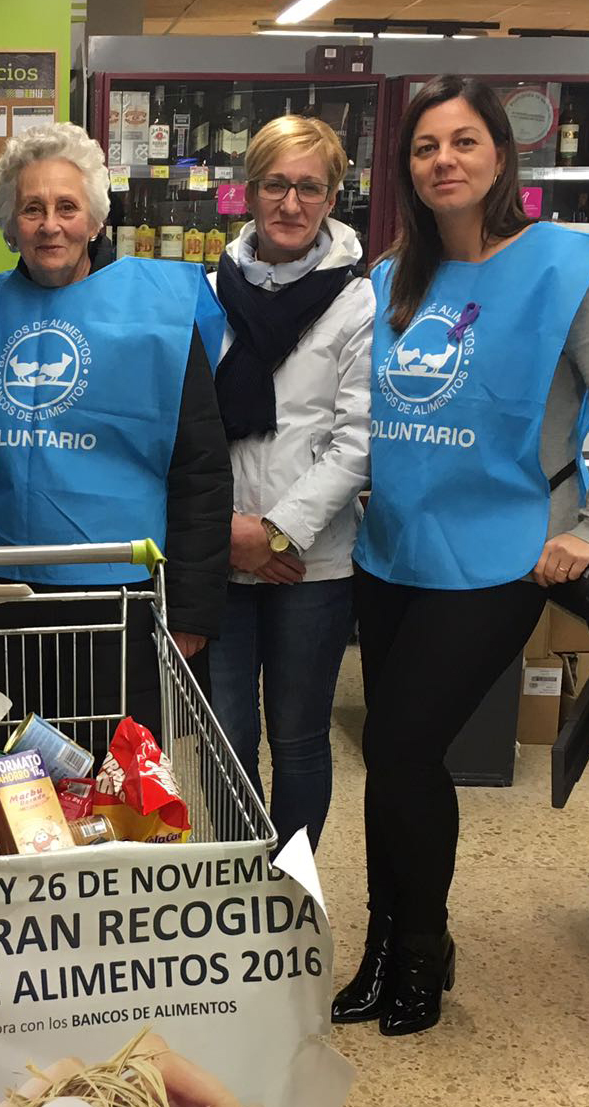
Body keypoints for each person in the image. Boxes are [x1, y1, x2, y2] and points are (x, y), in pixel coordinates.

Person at [333, 75, 589, 1036]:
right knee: (393, 764)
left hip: (503, 557)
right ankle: (382, 944)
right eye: (426, 147)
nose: (445, 161)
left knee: (400, 748)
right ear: (407, 169)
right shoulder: (394, 277)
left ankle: (424, 950)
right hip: (393, 549)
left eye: (464, 142)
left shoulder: (569, 267)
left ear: (501, 156)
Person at [0, 121, 230, 740]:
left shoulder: (157, 313)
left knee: (114, 783)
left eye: (67, 206)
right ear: (9, 223)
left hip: (121, 598)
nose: (50, 224)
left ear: (96, 219)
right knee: (8, 779)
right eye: (32, 208)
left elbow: (201, 470)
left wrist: (191, 611)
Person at [204, 115, 374, 853]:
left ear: (333, 194)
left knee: (300, 739)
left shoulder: (359, 301)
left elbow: (358, 441)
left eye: (310, 187)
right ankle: (243, 891)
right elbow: (188, 431)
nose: (292, 204)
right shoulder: (208, 292)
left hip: (313, 562)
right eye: (277, 184)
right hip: (222, 552)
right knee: (228, 735)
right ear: (250, 191)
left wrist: (274, 534)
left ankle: (291, 893)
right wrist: (229, 536)